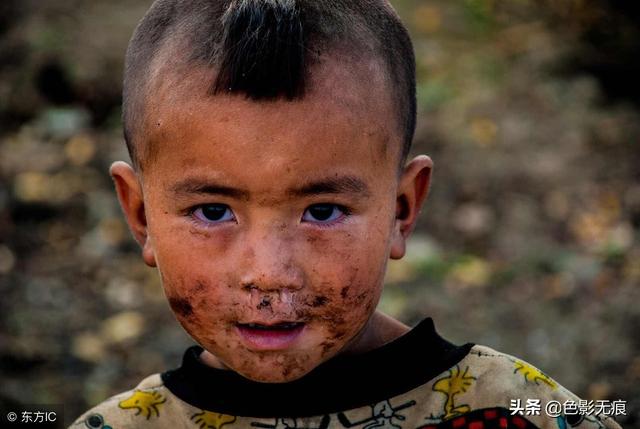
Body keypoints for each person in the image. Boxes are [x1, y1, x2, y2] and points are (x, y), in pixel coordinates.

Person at [69, 0, 622, 428]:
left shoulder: (519, 410)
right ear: (140, 216)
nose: (269, 274)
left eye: (323, 211)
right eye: (214, 211)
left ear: (402, 210)